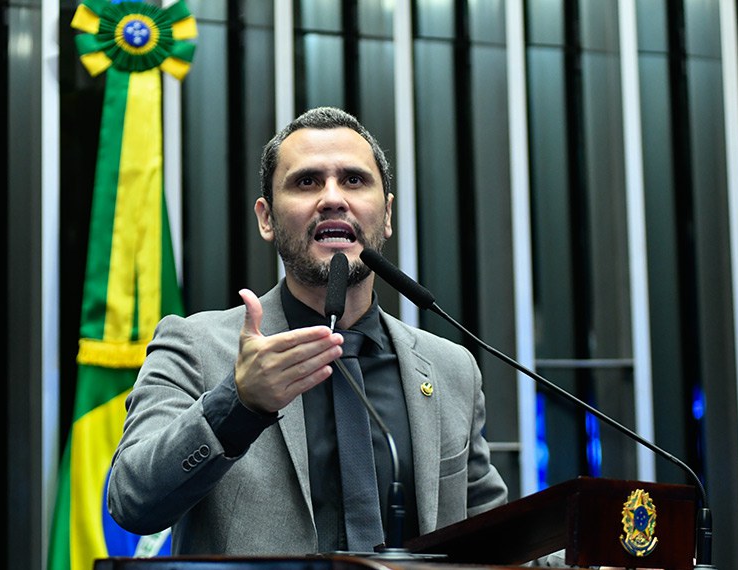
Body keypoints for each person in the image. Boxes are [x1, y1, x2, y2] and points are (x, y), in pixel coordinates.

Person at [107, 106, 508, 556]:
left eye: (354, 180)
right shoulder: (195, 347)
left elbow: (495, 538)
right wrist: (239, 404)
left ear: (388, 214)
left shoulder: (451, 368)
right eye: (306, 182)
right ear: (266, 218)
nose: (333, 198)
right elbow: (131, 502)